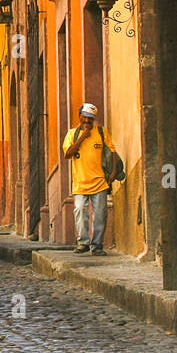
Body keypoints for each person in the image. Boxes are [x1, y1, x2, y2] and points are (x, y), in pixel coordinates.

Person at [62, 101, 115, 255]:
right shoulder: (72, 134)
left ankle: (97, 246)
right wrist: (83, 137)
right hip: (80, 183)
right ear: (80, 117)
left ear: (94, 119)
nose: (87, 121)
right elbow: (68, 154)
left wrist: (112, 173)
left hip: (99, 182)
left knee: (100, 214)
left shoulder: (101, 132)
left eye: (90, 119)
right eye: (84, 117)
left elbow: (112, 152)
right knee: (80, 211)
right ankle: (83, 242)